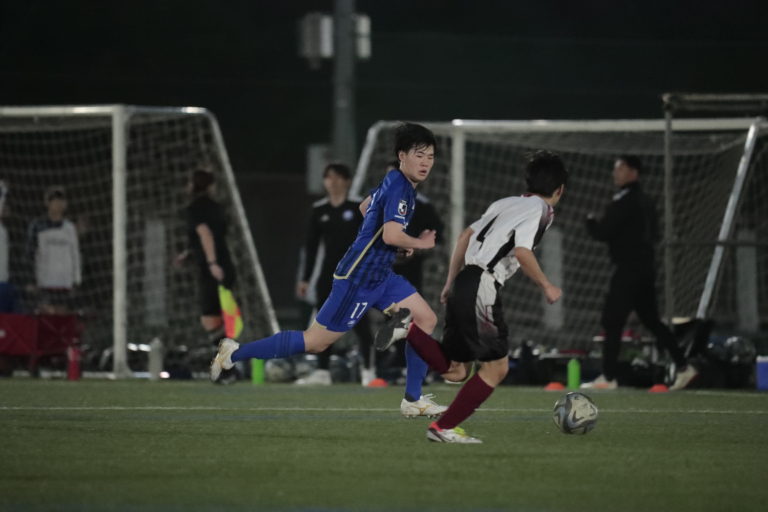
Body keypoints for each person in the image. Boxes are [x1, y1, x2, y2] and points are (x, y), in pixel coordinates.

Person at [211, 122, 447, 417]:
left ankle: (413, 399)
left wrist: (395, 241)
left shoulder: (395, 180)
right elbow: (389, 235)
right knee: (315, 343)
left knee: (426, 319)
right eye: (419, 155)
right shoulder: (401, 187)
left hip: (380, 274)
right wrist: (418, 242)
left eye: (430, 156)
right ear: (402, 156)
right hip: (358, 278)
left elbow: (365, 208)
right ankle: (234, 352)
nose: (426, 163)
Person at [376, 150, 568, 443]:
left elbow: (465, 236)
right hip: (482, 285)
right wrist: (547, 285)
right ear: (559, 190)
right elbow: (522, 251)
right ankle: (443, 428)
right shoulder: (542, 210)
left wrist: (450, 282)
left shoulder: (505, 202)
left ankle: (409, 330)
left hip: (464, 281)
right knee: (496, 368)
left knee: (456, 371)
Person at [581, 156, 697, 391]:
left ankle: (608, 377)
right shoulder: (646, 201)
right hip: (646, 268)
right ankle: (684, 366)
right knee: (651, 320)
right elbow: (654, 234)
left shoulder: (625, 201)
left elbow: (603, 232)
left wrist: (590, 222)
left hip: (629, 269)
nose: (616, 173)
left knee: (612, 320)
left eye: (621, 168)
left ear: (634, 172)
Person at [294, 163, 376, 386]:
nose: (333, 182)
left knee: (361, 323)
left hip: (355, 276)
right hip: (328, 276)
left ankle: (369, 371)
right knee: (324, 323)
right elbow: (311, 247)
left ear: (347, 181)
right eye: (329, 177)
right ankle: (322, 371)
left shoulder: (359, 207)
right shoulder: (319, 210)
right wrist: (305, 278)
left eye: (338, 177)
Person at [177, 169, 238, 383]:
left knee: (209, 319)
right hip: (225, 265)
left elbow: (205, 234)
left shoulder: (194, 208)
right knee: (218, 319)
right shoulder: (217, 207)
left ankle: (228, 369)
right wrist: (189, 253)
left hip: (213, 268)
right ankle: (227, 367)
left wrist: (211, 263)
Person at [25, 186, 81, 314]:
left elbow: (75, 254)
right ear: (47, 203)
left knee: (62, 313)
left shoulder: (70, 228)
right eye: (55, 200)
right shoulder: (37, 226)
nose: (58, 204)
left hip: (65, 282)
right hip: (45, 281)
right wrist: (30, 280)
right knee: (47, 314)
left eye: (61, 200)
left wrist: (76, 280)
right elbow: (29, 253)